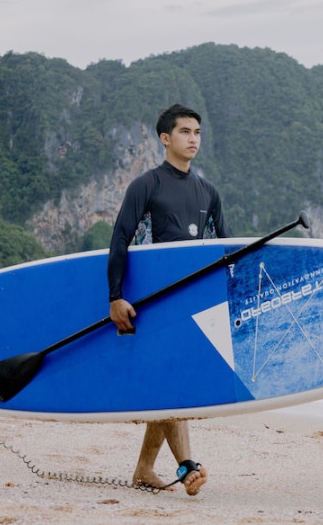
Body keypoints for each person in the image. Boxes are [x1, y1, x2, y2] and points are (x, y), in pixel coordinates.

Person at [107, 103, 229, 495]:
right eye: (184, 132)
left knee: (171, 382)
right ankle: (186, 464)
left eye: (197, 132)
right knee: (173, 381)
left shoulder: (208, 193)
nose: (193, 139)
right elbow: (120, 240)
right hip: (152, 302)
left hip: (191, 303)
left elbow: (222, 253)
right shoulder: (147, 185)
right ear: (165, 138)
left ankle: (145, 468)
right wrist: (115, 297)